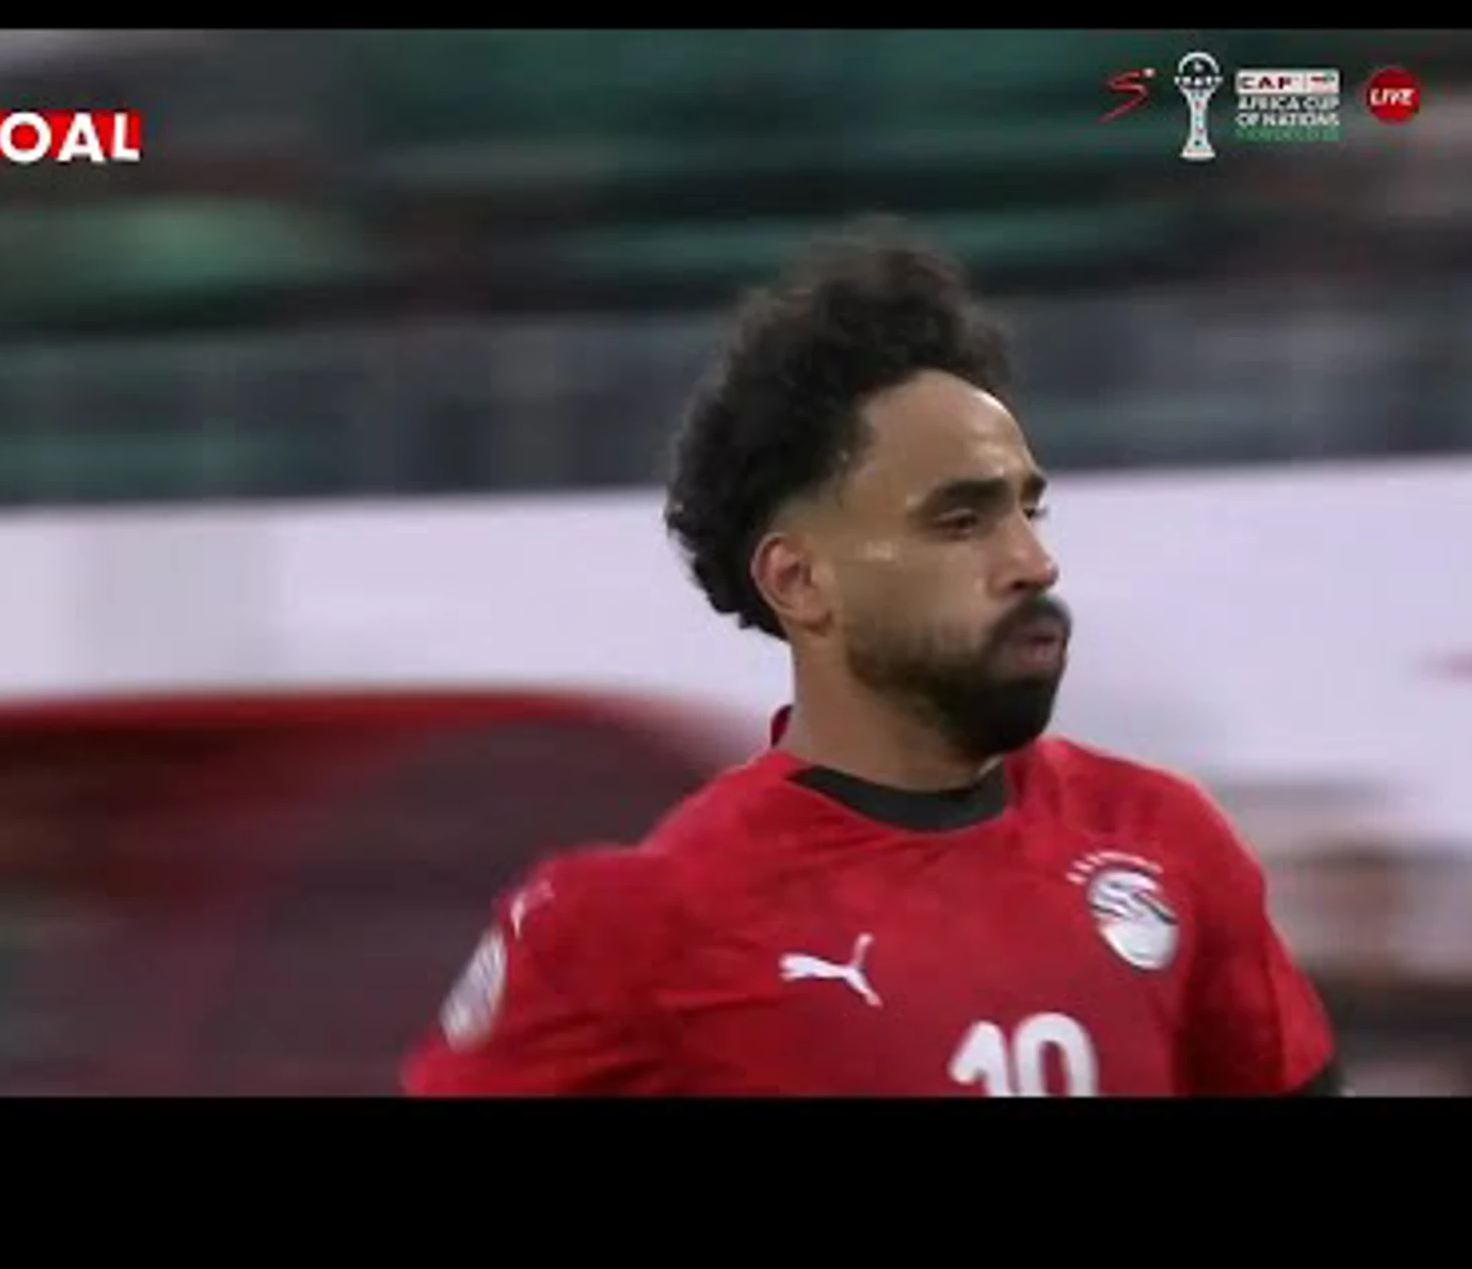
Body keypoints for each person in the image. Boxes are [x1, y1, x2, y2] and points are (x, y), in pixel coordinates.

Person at [402, 216, 1343, 1096]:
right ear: (800, 581)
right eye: (961, 520)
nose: (1032, 561)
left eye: (1029, 509)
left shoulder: (1161, 839)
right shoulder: (634, 927)